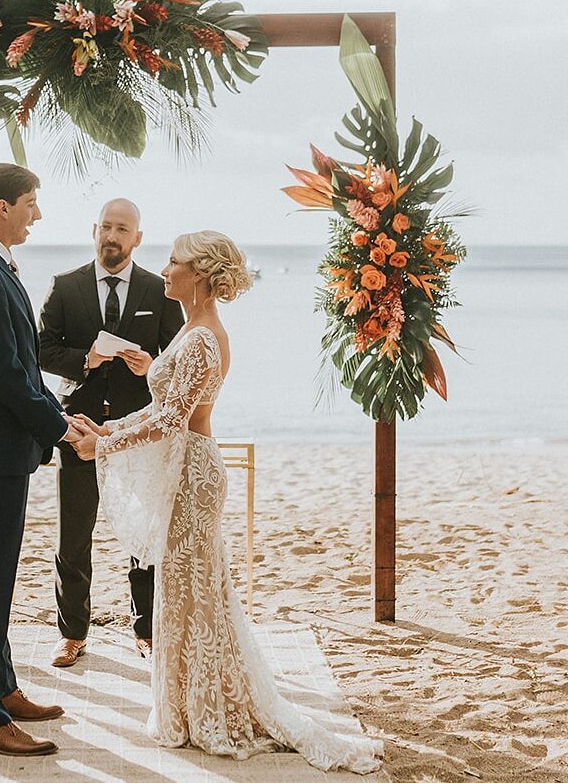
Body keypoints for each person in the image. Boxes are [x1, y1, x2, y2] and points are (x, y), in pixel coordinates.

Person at [69, 231, 383, 773]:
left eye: (174, 262)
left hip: (193, 474)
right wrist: (112, 425)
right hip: (188, 468)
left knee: (198, 595)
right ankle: (191, 704)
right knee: (187, 593)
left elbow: (172, 421)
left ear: (201, 274)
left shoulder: (202, 339)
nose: (164, 269)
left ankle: (205, 709)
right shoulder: (194, 331)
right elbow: (170, 407)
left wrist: (104, 443)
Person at [0, 163, 82, 758]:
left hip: (7, 448)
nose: (37, 213)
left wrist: (62, 414)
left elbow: (22, 368)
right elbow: (2, 376)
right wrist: (60, 430)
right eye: (31, 203)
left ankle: (0, 690)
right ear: (3, 207)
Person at [37, 198, 184, 667]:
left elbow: (178, 360)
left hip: (137, 431)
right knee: (73, 534)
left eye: (122, 228)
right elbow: (40, 351)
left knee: (143, 532)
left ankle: (146, 629)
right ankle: (73, 633)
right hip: (78, 428)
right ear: (93, 230)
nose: (112, 236)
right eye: (105, 226)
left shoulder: (159, 291)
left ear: (137, 237)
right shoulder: (65, 286)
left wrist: (152, 366)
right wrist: (85, 360)